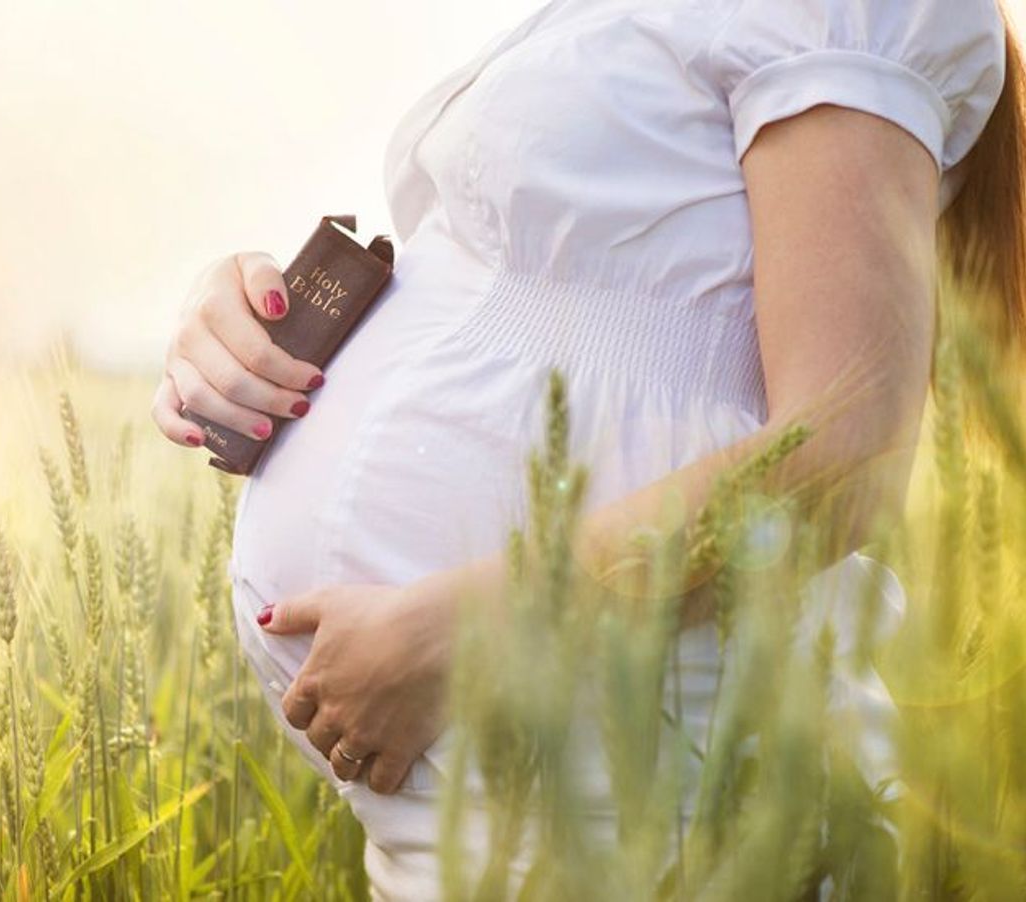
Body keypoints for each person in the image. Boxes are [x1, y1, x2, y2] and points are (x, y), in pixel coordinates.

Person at [153, 0, 1018, 897]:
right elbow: (521, 290)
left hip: (643, 779)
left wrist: (478, 631)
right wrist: (237, 325)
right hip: (479, 812)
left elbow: (843, 455)